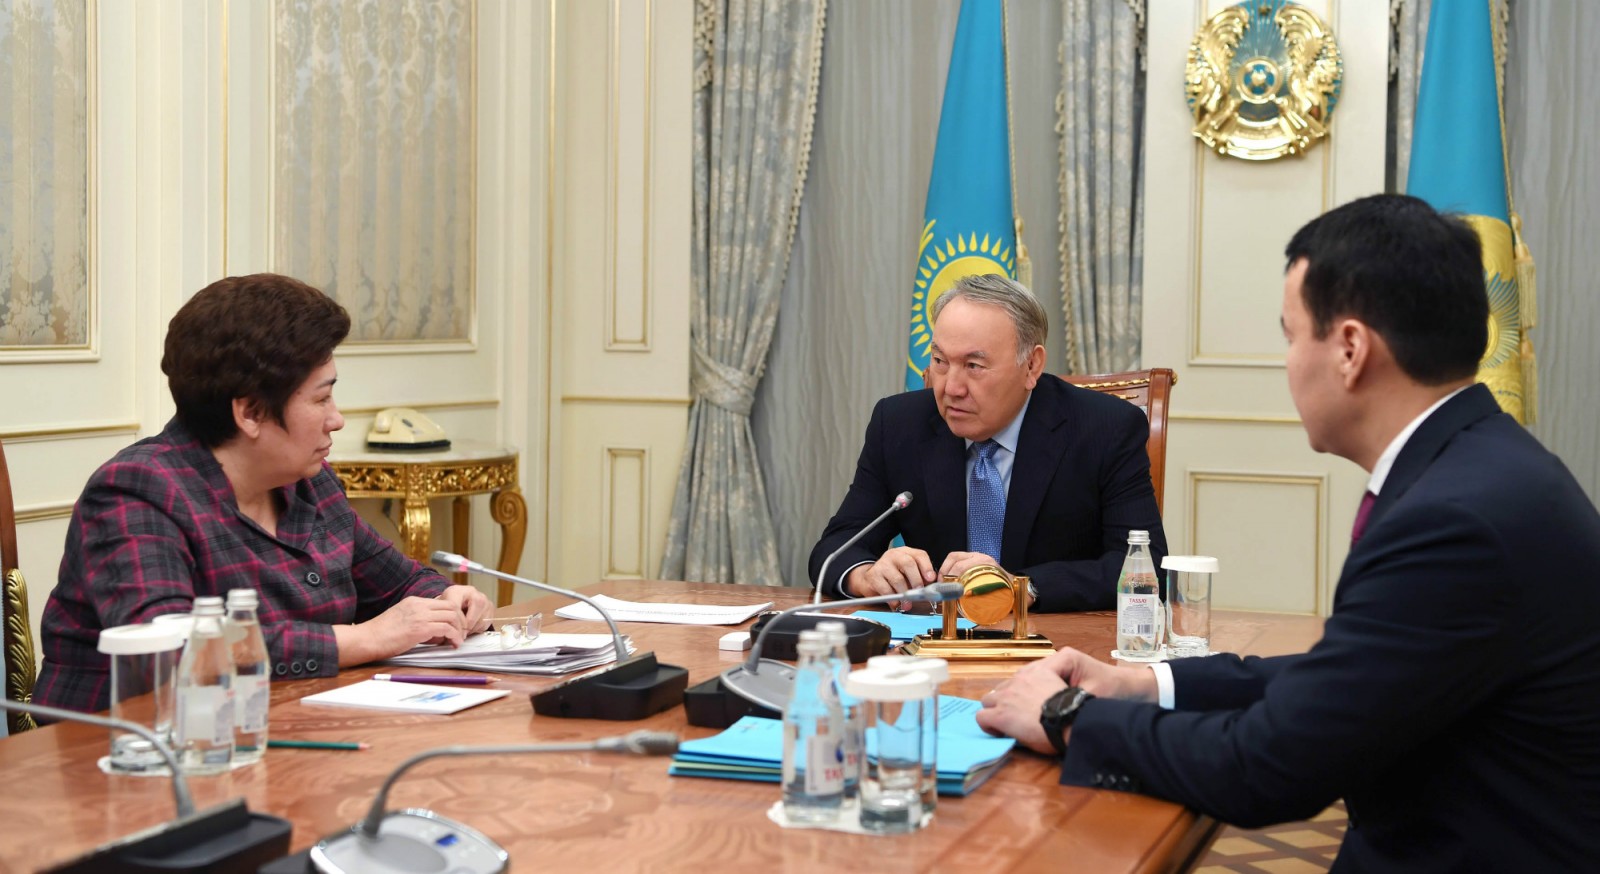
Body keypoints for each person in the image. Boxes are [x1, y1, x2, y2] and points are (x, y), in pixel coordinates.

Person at [975, 195, 1600, 871]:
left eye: (1292, 336)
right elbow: (1347, 679)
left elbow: (1269, 766)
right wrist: (1145, 684)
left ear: (1351, 350)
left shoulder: (1454, 521)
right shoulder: (1477, 468)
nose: (1288, 364)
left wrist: (1067, 715)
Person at [35, 274, 493, 714]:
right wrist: (365, 639)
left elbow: (400, 583)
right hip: (123, 747)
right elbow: (174, 645)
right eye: (321, 399)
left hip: (284, 725)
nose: (336, 420)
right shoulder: (136, 491)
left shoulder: (311, 483)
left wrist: (448, 602)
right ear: (251, 412)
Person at [808, 273, 1167, 612]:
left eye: (974, 366)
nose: (951, 388)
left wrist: (1022, 587)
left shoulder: (1105, 428)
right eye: (940, 361)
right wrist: (866, 576)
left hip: (1055, 643)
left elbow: (1145, 568)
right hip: (935, 641)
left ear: (1032, 366)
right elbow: (836, 546)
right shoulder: (900, 424)